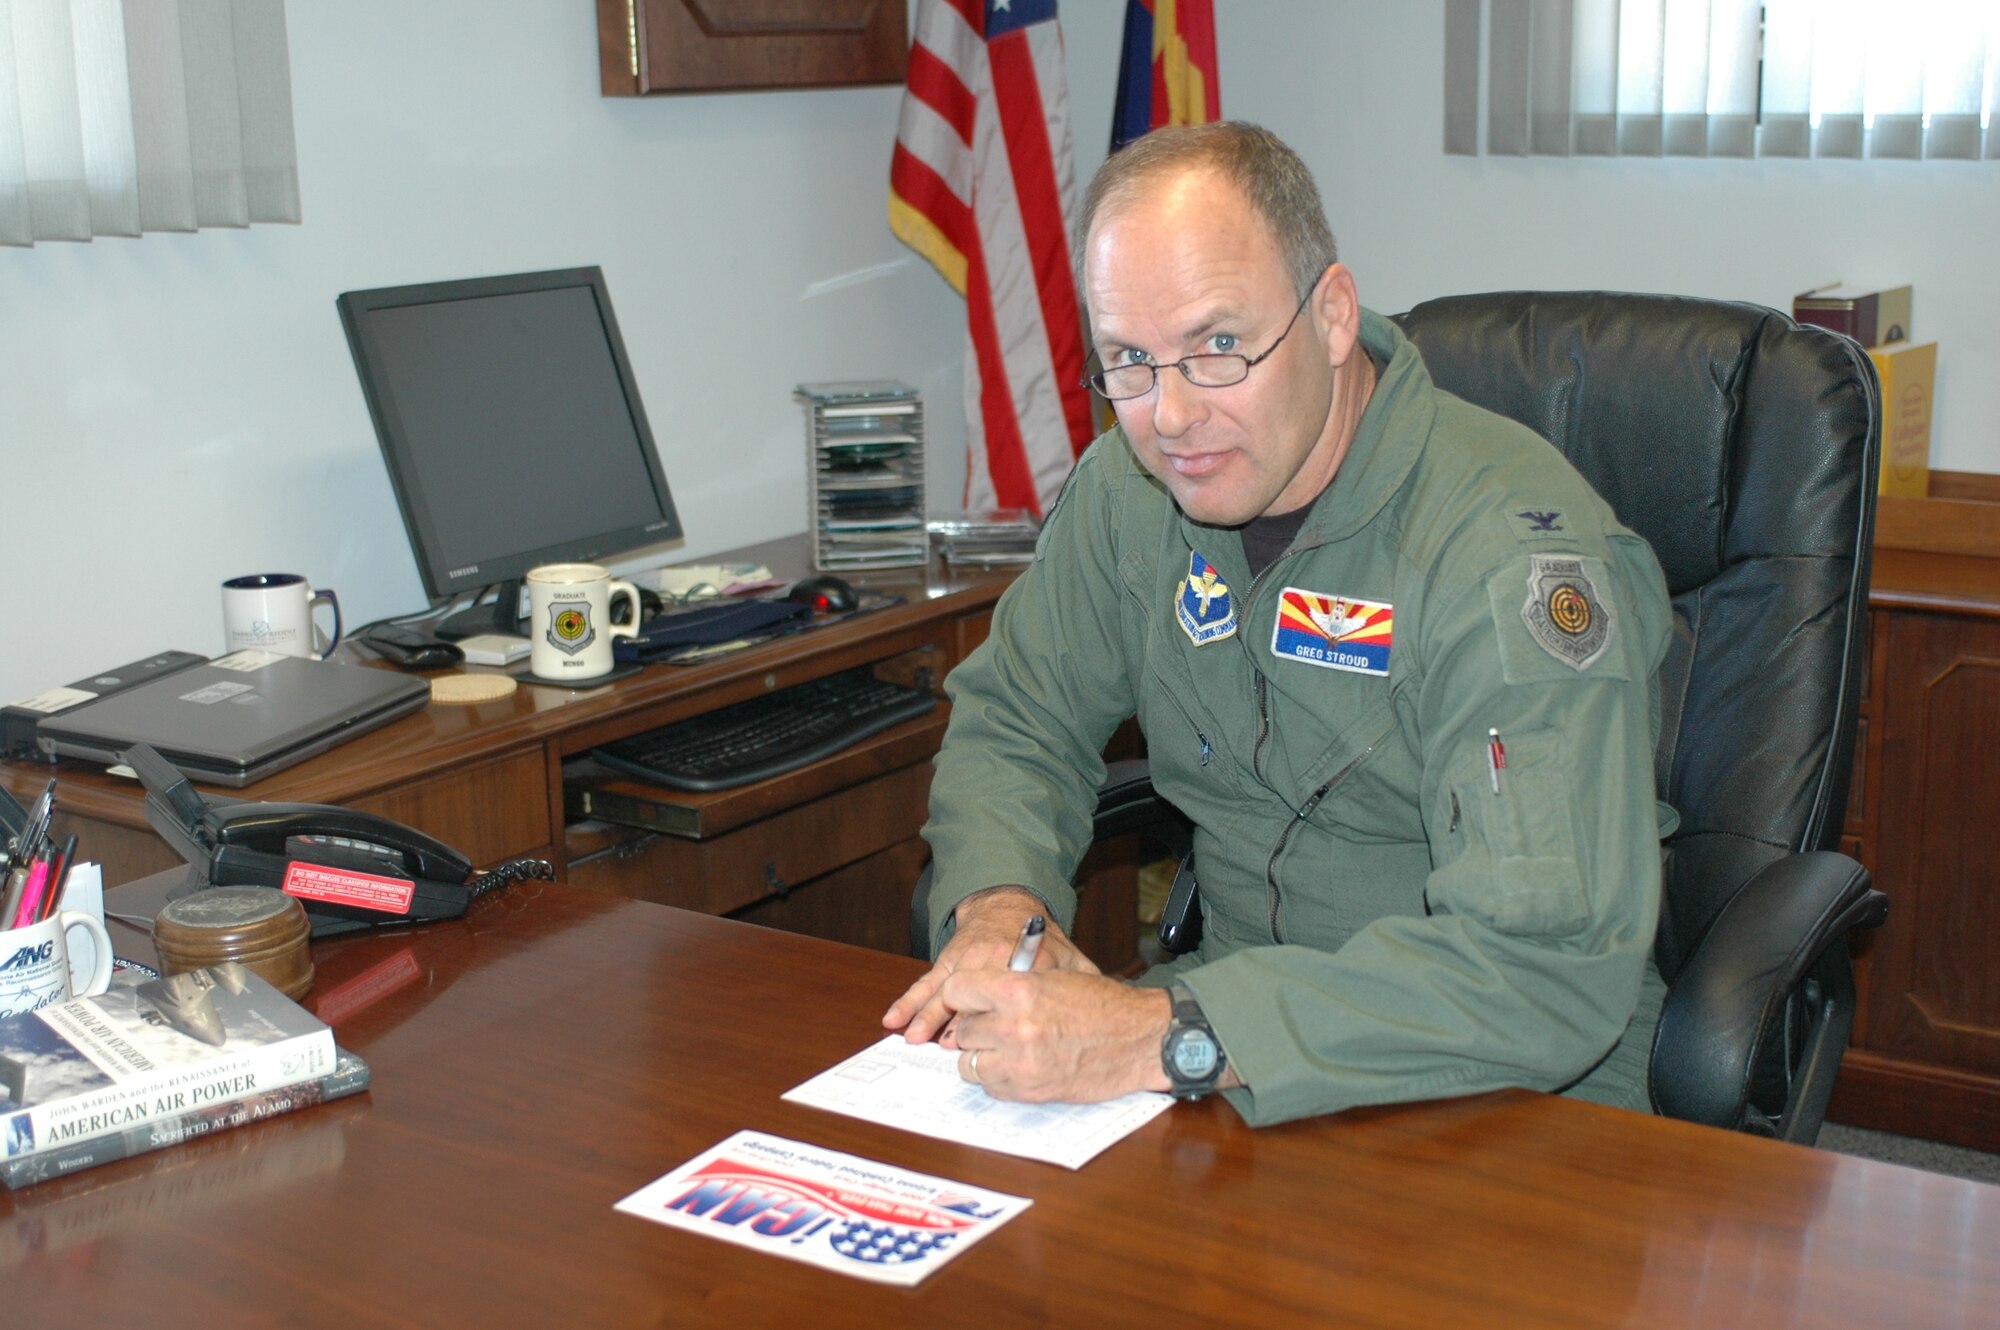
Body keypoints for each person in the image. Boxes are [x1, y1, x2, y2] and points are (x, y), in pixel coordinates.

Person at [883, 122, 1676, 1125]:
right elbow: (1019, 719)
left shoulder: (1501, 559)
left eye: (1218, 347)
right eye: (1128, 360)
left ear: (1333, 316)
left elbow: (1538, 971)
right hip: (1224, 1053)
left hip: (1507, 1089)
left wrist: (1155, 1033)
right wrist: (1000, 898)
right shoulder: (1132, 498)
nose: (1169, 416)